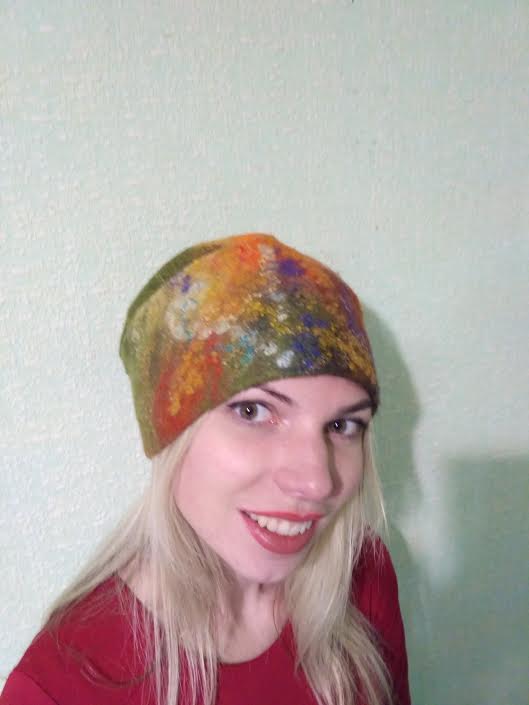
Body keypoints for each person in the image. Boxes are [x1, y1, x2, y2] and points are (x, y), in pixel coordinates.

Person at [1, 233, 411, 705]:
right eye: (253, 412)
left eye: (342, 425)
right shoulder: (62, 683)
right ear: (169, 434)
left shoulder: (359, 578)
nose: (317, 482)